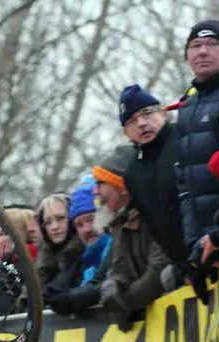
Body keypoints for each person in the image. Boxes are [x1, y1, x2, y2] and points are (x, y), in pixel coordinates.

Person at [176, 20, 219, 270]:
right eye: (195, 45)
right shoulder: (186, 106)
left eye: (212, 44)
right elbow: (183, 183)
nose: (203, 51)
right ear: (187, 56)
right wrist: (194, 244)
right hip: (204, 246)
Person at [96, 145, 170, 329]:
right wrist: (113, 285)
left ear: (122, 186)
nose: (95, 192)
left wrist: (125, 302)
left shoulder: (154, 213)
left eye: (101, 183)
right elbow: (121, 269)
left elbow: (158, 270)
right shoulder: (119, 224)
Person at [120, 85, 188, 274]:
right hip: (186, 265)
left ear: (163, 113)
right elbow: (154, 228)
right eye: (132, 121)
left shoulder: (185, 138)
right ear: (126, 133)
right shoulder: (132, 174)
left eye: (147, 113)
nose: (141, 123)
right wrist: (182, 265)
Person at [45, 183, 113, 316]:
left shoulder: (118, 248)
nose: (87, 229)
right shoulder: (87, 265)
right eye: (79, 224)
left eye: (91, 219)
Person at [34, 192, 82, 288]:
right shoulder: (43, 259)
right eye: (48, 222)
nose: (54, 227)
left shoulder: (85, 253)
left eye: (60, 218)